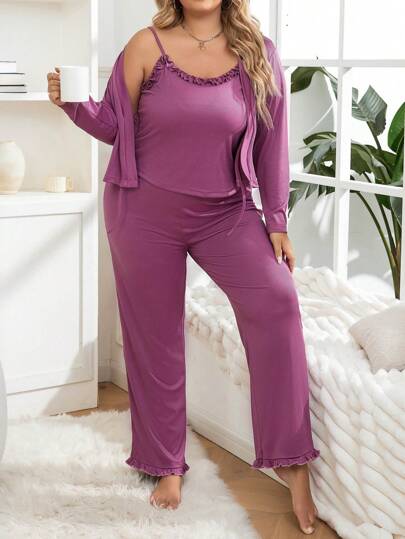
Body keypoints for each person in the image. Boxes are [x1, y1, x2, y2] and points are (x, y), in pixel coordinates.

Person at [47, 0, 320, 533]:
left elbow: (272, 142)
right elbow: (113, 125)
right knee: (156, 337)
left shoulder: (258, 52)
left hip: (227, 213)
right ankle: (164, 463)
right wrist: (72, 103)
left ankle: (292, 461)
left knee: (277, 301)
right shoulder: (145, 45)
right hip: (142, 210)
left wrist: (277, 220)